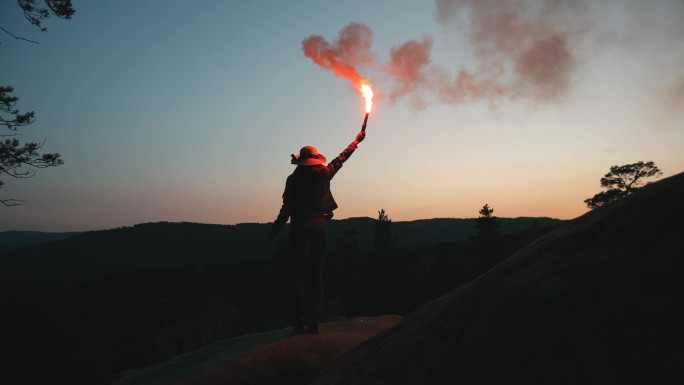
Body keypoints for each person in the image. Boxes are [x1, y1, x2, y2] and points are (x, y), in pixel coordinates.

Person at [268, 130, 366, 334]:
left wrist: (274, 231)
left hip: (299, 226)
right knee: (316, 272)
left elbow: (286, 209)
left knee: (299, 273)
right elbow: (341, 159)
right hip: (319, 225)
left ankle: (298, 319)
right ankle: (314, 319)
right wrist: (356, 141)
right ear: (315, 159)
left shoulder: (292, 179)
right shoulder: (324, 172)